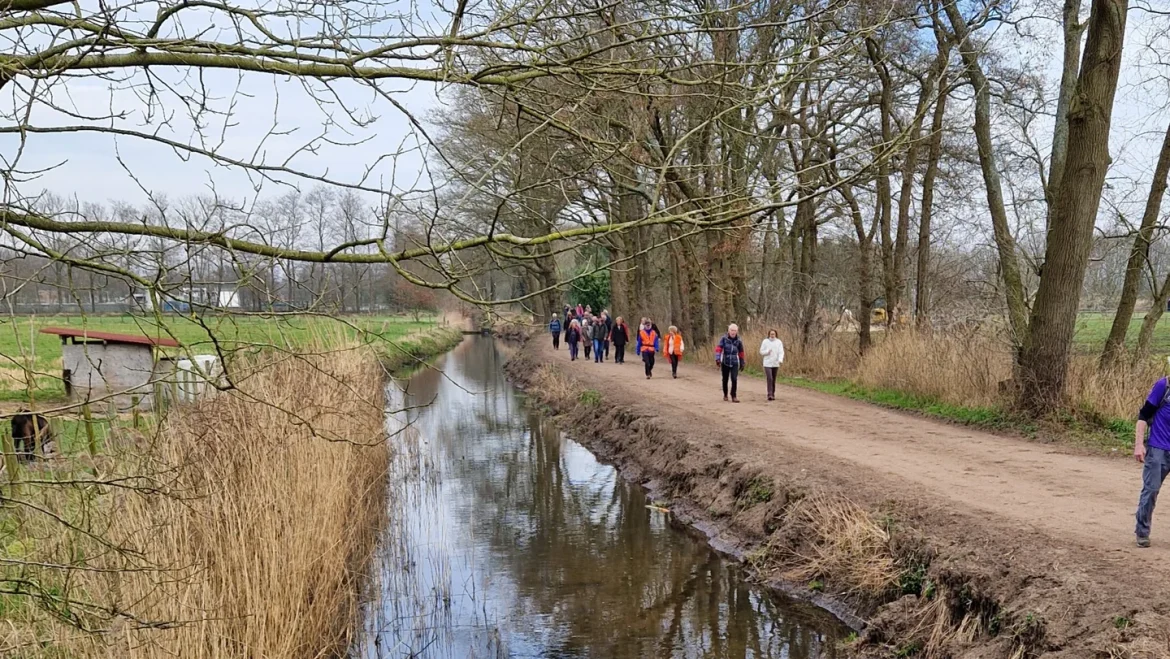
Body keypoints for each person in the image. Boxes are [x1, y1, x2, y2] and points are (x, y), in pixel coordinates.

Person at [1135, 369, 1170, 547]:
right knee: (1151, 490)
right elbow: (1143, 416)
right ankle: (1142, 532)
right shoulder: (1163, 386)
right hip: (1158, 448)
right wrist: (1139, 444)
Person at [714, 324, 746, 402]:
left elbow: (741, 352)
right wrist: (718, 359)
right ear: (729, 331)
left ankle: (733, 395)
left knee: (734, 379)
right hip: (725, 361)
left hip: (735, 361)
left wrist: (742, 362)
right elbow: (719, 349)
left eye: (734, 330)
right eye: (731, 330)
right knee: (725, 379)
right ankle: (725, 394)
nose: (733, 332)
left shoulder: (739, 340)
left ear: (737, 331)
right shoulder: (724, 339)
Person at [759, 329, 785, 401]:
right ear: (769, 334)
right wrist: (767, 352)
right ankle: (769, 394)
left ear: (776, 334)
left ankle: (773, 393)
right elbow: (761, 351)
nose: (772, 335)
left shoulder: (779, 342)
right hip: (767, 363)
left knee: (773, 379)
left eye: (773, 334)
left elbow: (781, 352)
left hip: (775, 363)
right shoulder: (765, 341)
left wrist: (780, 359)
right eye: (771, 334)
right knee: (769, 378)